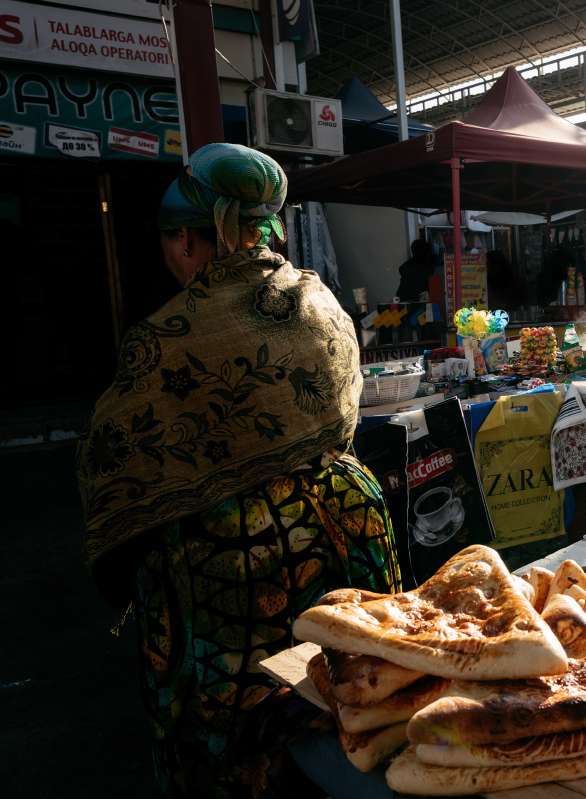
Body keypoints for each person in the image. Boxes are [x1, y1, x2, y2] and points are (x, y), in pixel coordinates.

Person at [77, 143, 402, 798]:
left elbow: (113, 462)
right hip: (345, 529)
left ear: (196, 241)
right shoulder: (321, 301)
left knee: (235, 742)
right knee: (349, 704)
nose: (171, 252)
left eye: (175, 237)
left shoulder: (164, 341)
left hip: (223, 560)